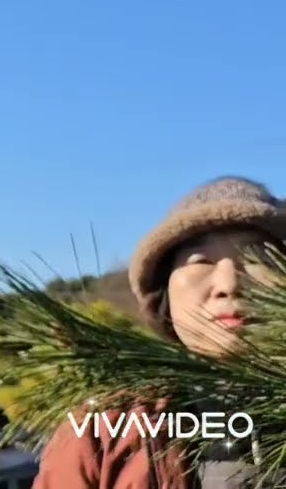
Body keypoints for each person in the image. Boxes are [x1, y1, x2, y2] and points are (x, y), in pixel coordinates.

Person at [34, 176, 286, 488]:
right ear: (164, 295)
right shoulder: (101, 429)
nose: (228, 284)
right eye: (200, 261)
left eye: (256, 258)